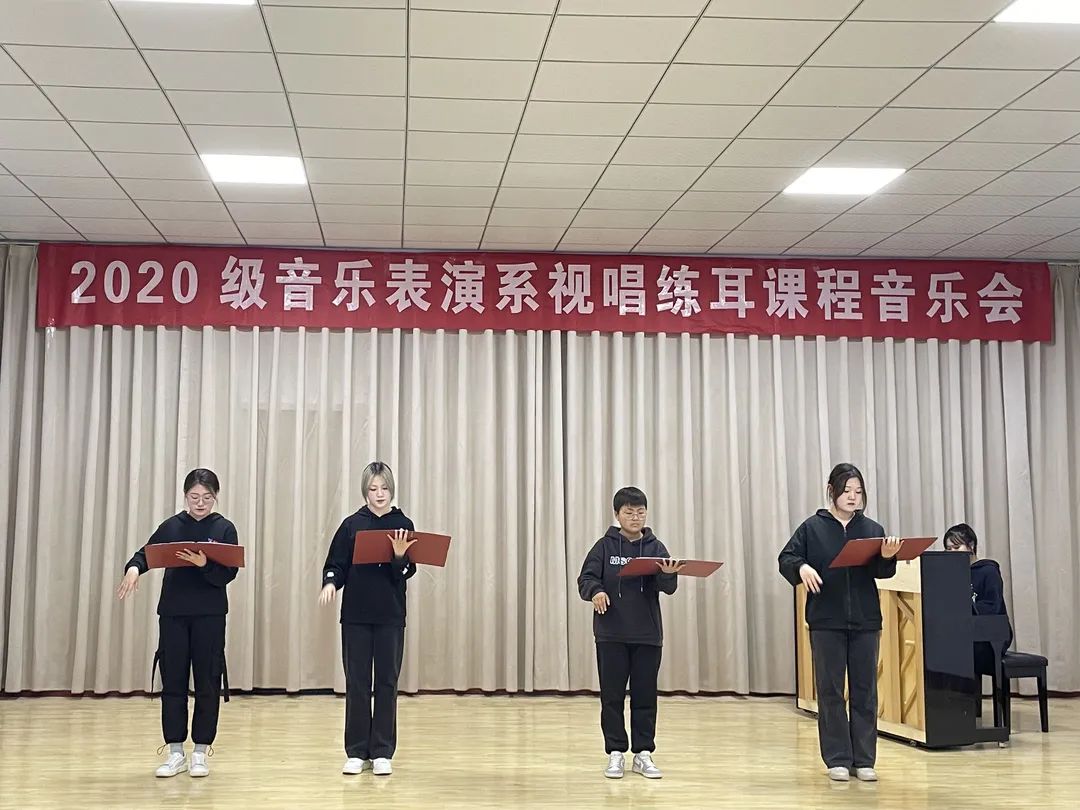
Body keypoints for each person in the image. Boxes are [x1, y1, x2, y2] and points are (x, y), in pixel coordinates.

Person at [777, 463, 900, 783]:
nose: (853, 497)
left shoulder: (872, 528)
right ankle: (837, 758)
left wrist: (888, 556)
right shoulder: (812, 527)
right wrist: (801, 567)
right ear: (831, 491)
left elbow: (882, 573)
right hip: (826, 620)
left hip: (865, 620)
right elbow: (786, 558)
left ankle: (864, 759)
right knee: (830, 690)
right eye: (846, 491)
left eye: (858, 491)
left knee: (865, 690)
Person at [117, 468, 239, 778]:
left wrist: (204, 564)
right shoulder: (172, 526)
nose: (200, 503)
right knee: (173, 681)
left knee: (207, 681)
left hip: (210, 615)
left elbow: (228, 574)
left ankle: (200, 752)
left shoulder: (224, 528)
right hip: (173, 614)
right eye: (194, 497)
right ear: (185, 496)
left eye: (207, 497)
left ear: (215, 497)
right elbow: (145, 554)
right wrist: (134, 569)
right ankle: (175, 752)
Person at [577, 486, 684, 780]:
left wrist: (669, 574)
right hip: (611, 634)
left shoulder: (655, 547)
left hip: (647, 635)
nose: (635, 517)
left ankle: (643, 753)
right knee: (612, 697)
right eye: (629, 512)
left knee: (645, 696)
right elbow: (586, 578)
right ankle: (615, 753)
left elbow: (668, 588)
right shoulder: (603, 547)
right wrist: (596, 591)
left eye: (640, 512)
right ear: (617, 515)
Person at [319, 461, 416, 777]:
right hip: (356, 616)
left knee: (387, 681)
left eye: (384, 488)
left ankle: (383, 751)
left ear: (391, 489)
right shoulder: (351, 525)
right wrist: (331, 583)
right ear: (365, 491)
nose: (379, 494)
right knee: (357, 682)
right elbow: (336, 564)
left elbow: (407, 571)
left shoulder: (403, 524)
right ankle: (357, 751)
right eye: (373, 489)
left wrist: (399, 555)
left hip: (390, 615)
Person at [943, 523, 1013, 675]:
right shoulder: (952, 574)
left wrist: (964, 608)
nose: (952, 553)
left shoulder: (988, 571)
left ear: (971, 545)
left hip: (992, 635)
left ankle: (965, 690)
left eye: (957, 547)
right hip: (965, 632)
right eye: (948, 549)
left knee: (957, 652)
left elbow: (993, 606)